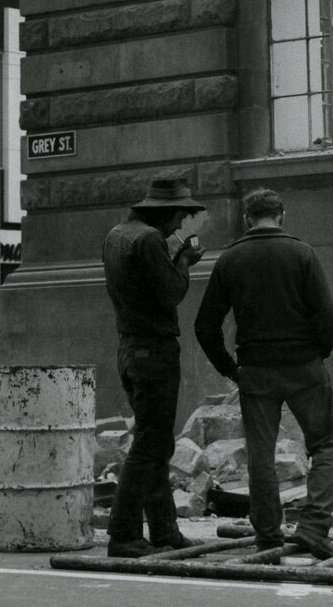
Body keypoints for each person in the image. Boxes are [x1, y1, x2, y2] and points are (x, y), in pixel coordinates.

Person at [194, 187, 333, 560]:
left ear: (247, 218)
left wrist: (230, 369)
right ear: (282, 215)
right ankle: (312, 528)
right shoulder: (302, 254)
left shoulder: (231, 259)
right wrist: (317, 354)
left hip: (256, 370)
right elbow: (326, 316)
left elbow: (205, 325)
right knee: (326, 443)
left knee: (261, 455)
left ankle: (268, 537)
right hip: (303, 366)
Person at [102, 174, 206, 558]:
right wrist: (184, 261)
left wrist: (173, 254)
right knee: (150, 446)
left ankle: (164, 531)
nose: (181, 224)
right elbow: (171, 292)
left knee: (156, 443)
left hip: (130, 349)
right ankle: (124, 533)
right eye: (180, 215)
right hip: (153, 351)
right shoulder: (148, 240)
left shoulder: (118, 234)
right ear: (165, 212)